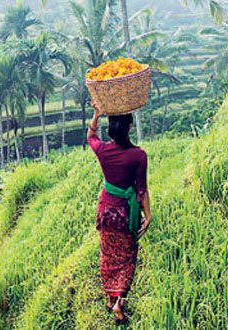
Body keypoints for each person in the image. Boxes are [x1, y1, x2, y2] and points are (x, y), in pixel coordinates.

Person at [87, 100, 152, 324]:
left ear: (112, 130)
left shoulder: (103, 151)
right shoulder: (139, 155)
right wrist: (148, 215)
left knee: (108, 255)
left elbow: (91, 137)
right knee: (127, 258)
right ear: (130, 128)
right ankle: (119, 302)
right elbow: (141, 189)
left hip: (106, 212)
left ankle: (109, 297)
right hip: (125, 215)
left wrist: (96, 114)